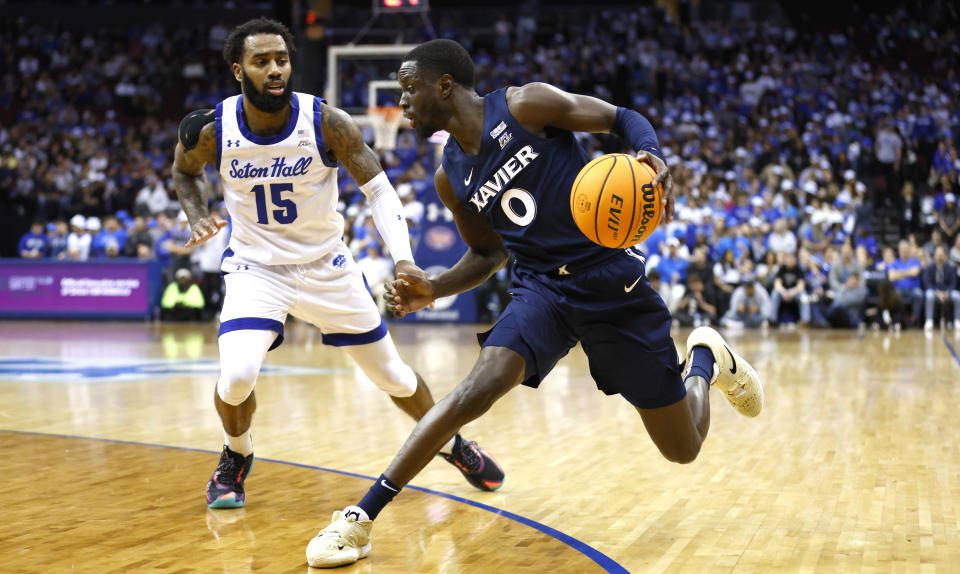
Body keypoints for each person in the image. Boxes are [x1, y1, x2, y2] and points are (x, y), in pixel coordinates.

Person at [306, 39, 763, 568]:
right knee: (474, 390)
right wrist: (436, 287)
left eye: (409, 89)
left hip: (610, 281)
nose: (401, 102)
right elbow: (488, 252)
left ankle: (706, 360)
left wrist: (652, 156)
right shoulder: (449, 176)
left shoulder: (525, 106)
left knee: (682, 448)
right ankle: (359, 519)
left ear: (444, 85)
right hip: (542, 290)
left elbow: (623, 118)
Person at [170, 20, 502, 511]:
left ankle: (453, 445)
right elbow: (183, 170)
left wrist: (404, 259)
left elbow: (379, 189)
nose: (275, 69)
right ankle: (236, 454)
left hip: (328, 267)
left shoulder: (325, 121)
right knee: (236, 377)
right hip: (256, 271)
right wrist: (197, 214)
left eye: (281, 58)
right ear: (239, 71)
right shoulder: (210, 128)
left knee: (393, 378)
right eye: (262, 62)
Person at [923, 246, 960, 332]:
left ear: (945, 256)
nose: (939, 256)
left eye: (941, 254)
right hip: (934, 292)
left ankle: (957, 320)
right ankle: (929, 320)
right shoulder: (929, 267)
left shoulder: (950, 268)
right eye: (938, 254)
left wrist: (947, 292)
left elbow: (953, 283)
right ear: (935, 256)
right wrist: (937, 292)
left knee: (958, 296)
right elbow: (927, 283)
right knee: (929, 295)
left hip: (947, 292)